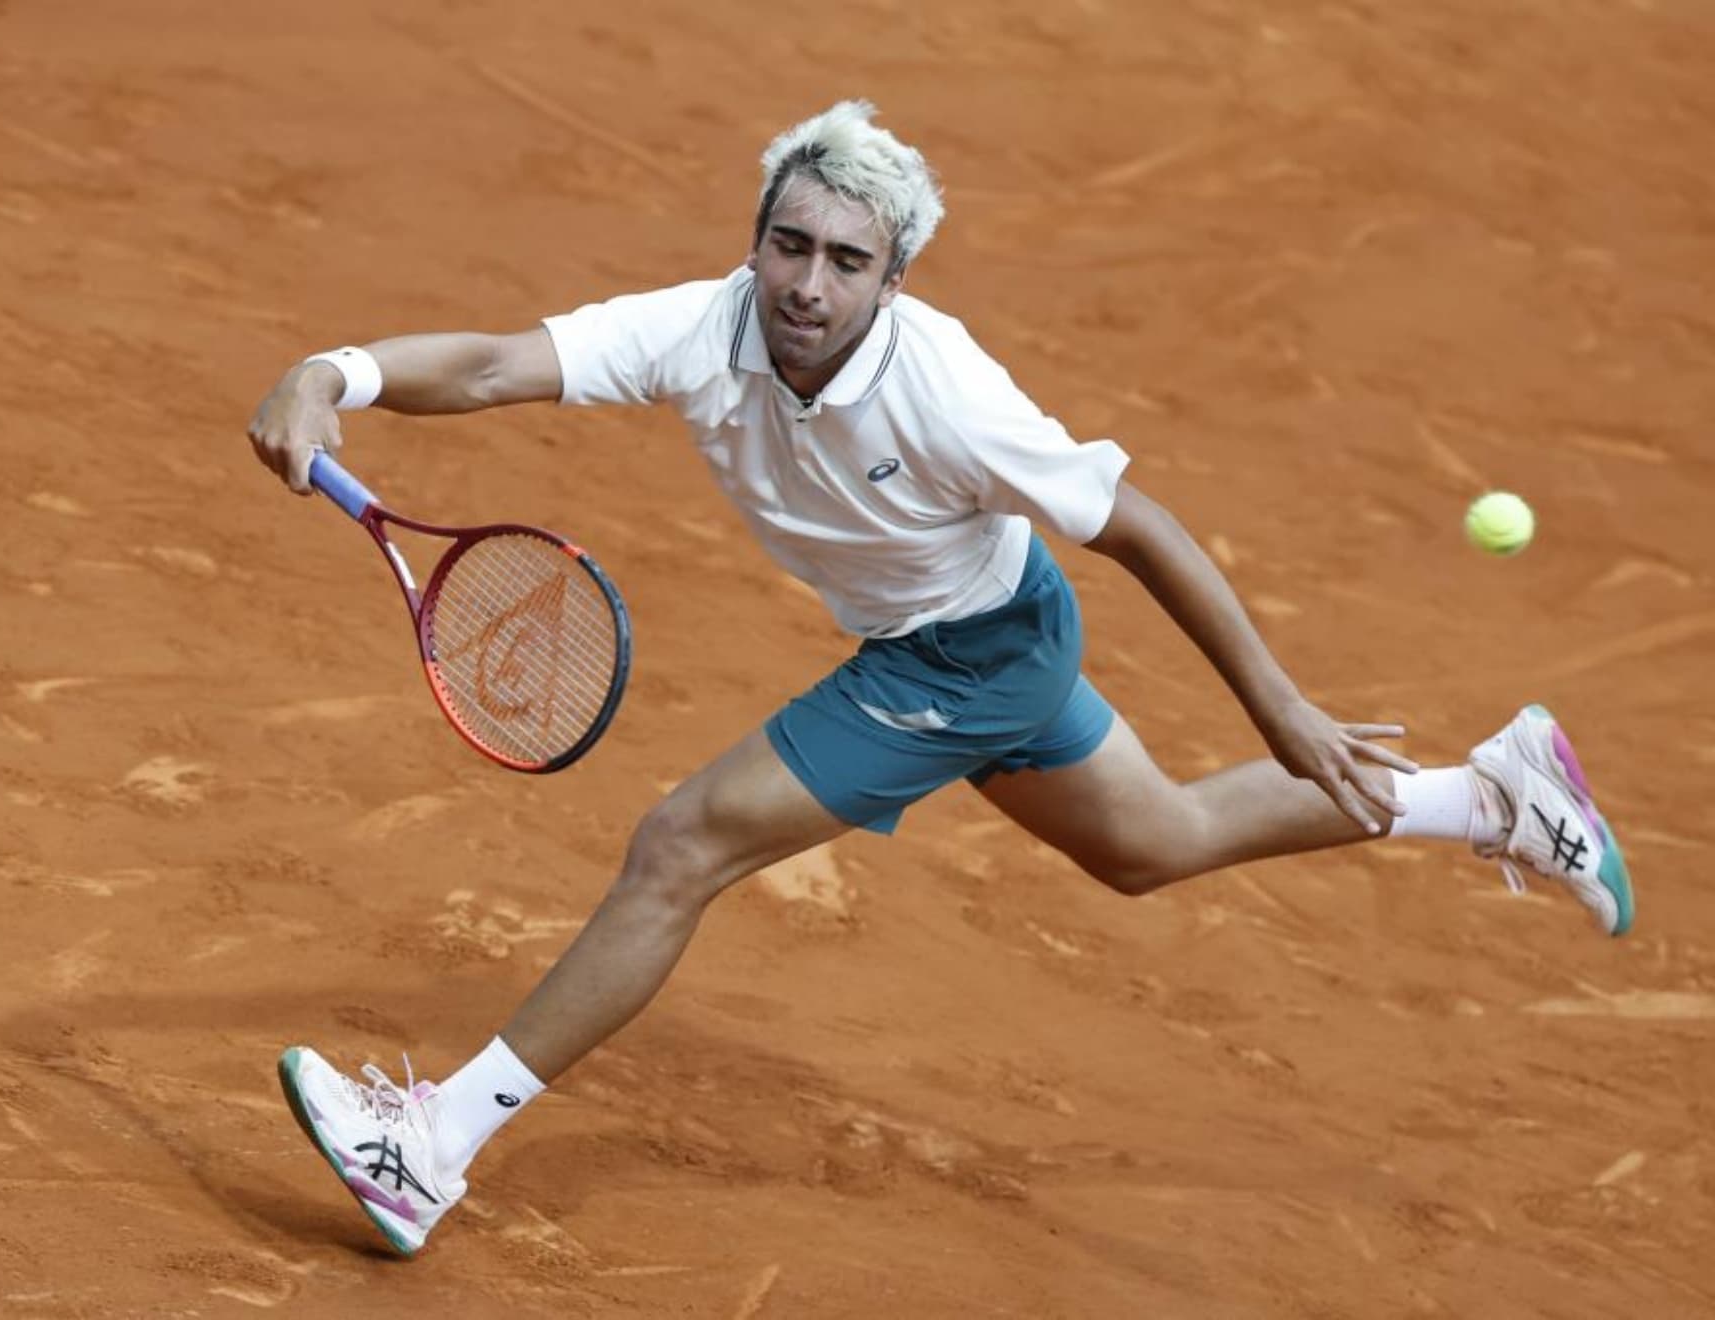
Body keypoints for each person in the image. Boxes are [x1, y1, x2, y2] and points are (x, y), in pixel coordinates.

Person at [245, 101, 1634, 1256]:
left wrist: (1280, 705)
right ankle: (1496, 800)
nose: (807, 282)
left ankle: (431, 1145)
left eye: (847, 260)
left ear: (892, 279)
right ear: (756, 243)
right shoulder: (704, 324)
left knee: (681, 846)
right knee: (1159, 844)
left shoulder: (953, 395)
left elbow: (1139, 528)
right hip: (969, 639)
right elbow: (493, 365)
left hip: (969, 655)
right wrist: (336, 370)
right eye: (788, 244)